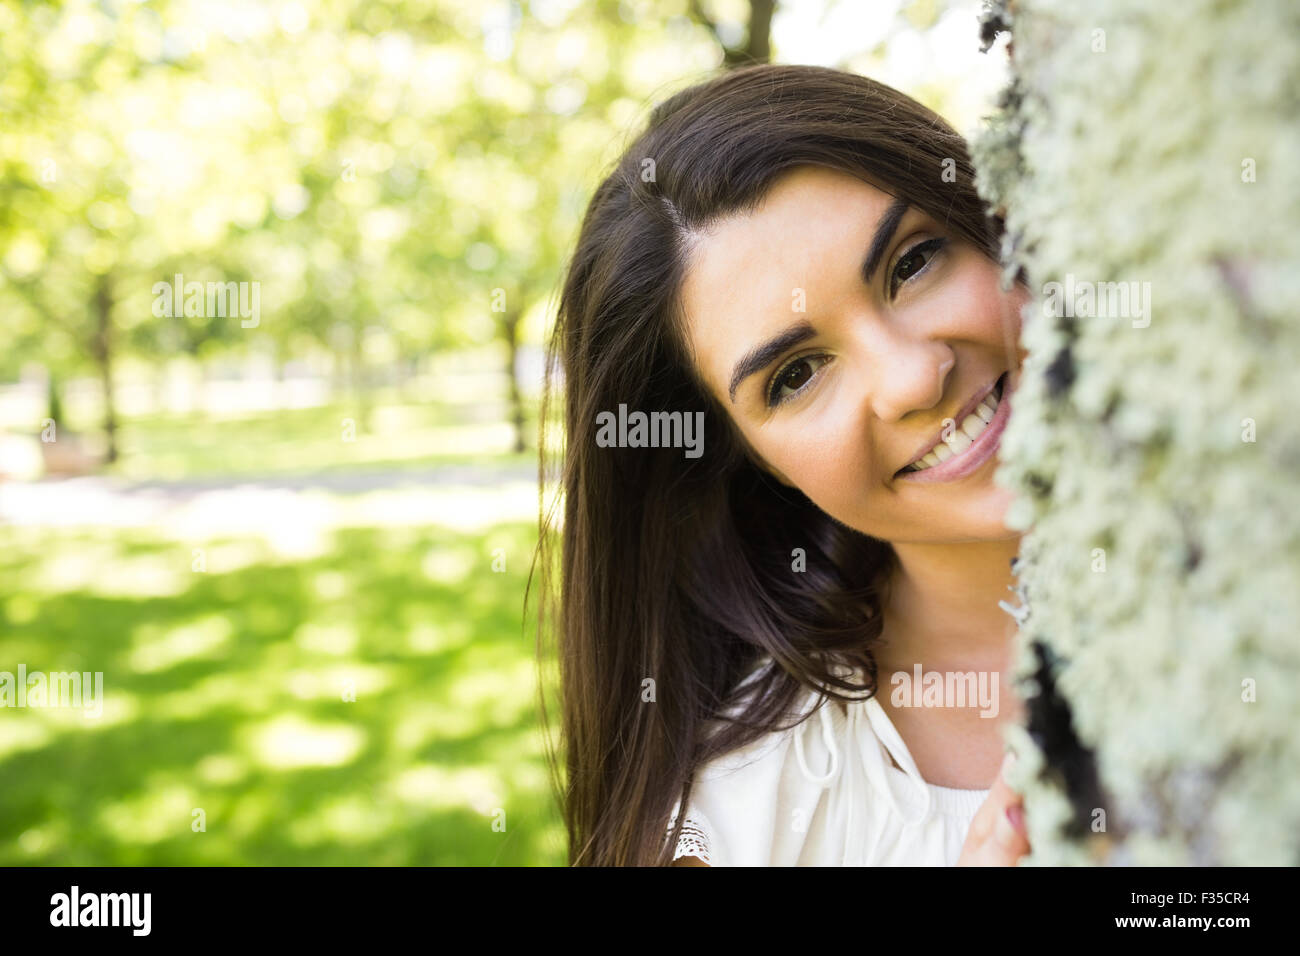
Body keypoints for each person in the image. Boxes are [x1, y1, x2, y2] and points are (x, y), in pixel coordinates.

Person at [537, 63, 1033, 866]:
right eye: (796, 376)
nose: (912, 377)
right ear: (747, 460)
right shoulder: (741, 820)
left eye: (911, 264)